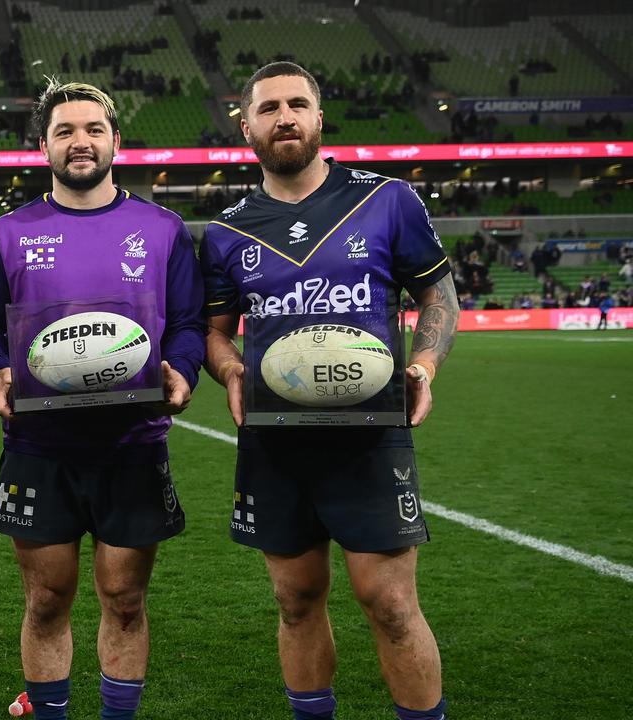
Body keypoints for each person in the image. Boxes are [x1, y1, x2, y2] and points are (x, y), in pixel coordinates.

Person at [199, 62, 459, 720]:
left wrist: (424, 363)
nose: (283, 116)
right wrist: (230, 372)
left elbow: (437, 291)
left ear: (319, 117)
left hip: (368, 434)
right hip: (275, 442)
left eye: (297, 104)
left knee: (393, 605)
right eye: (268, 107)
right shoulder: (227, 231)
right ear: (246, 126)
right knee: (295, 600)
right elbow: (215, 331)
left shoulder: (387, 199)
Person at [0, 79, 205, 720]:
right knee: (47, 599)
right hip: (39, 447)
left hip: (134, 443)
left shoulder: (162, 229)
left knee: (124, 598)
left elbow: (187, 321)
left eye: (94, 129)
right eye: (65, 131)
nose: (81, 142)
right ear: (43, 145)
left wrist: (182, 368)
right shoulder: (11, 234)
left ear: (115, 141)